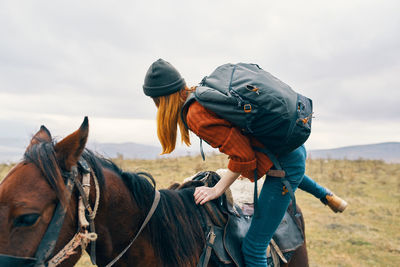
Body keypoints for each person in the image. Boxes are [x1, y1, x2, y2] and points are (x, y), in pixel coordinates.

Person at [142, 58, 347, 266]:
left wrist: (217, 189)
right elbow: (243, 141)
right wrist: (240, 168)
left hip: (284, 161)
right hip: (288, 148)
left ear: (160, 101)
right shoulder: (200, 95)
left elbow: (243, 156)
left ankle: (326, 196)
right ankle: (327, 195)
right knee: (288, 167)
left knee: (254, 248)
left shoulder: (195, 115)